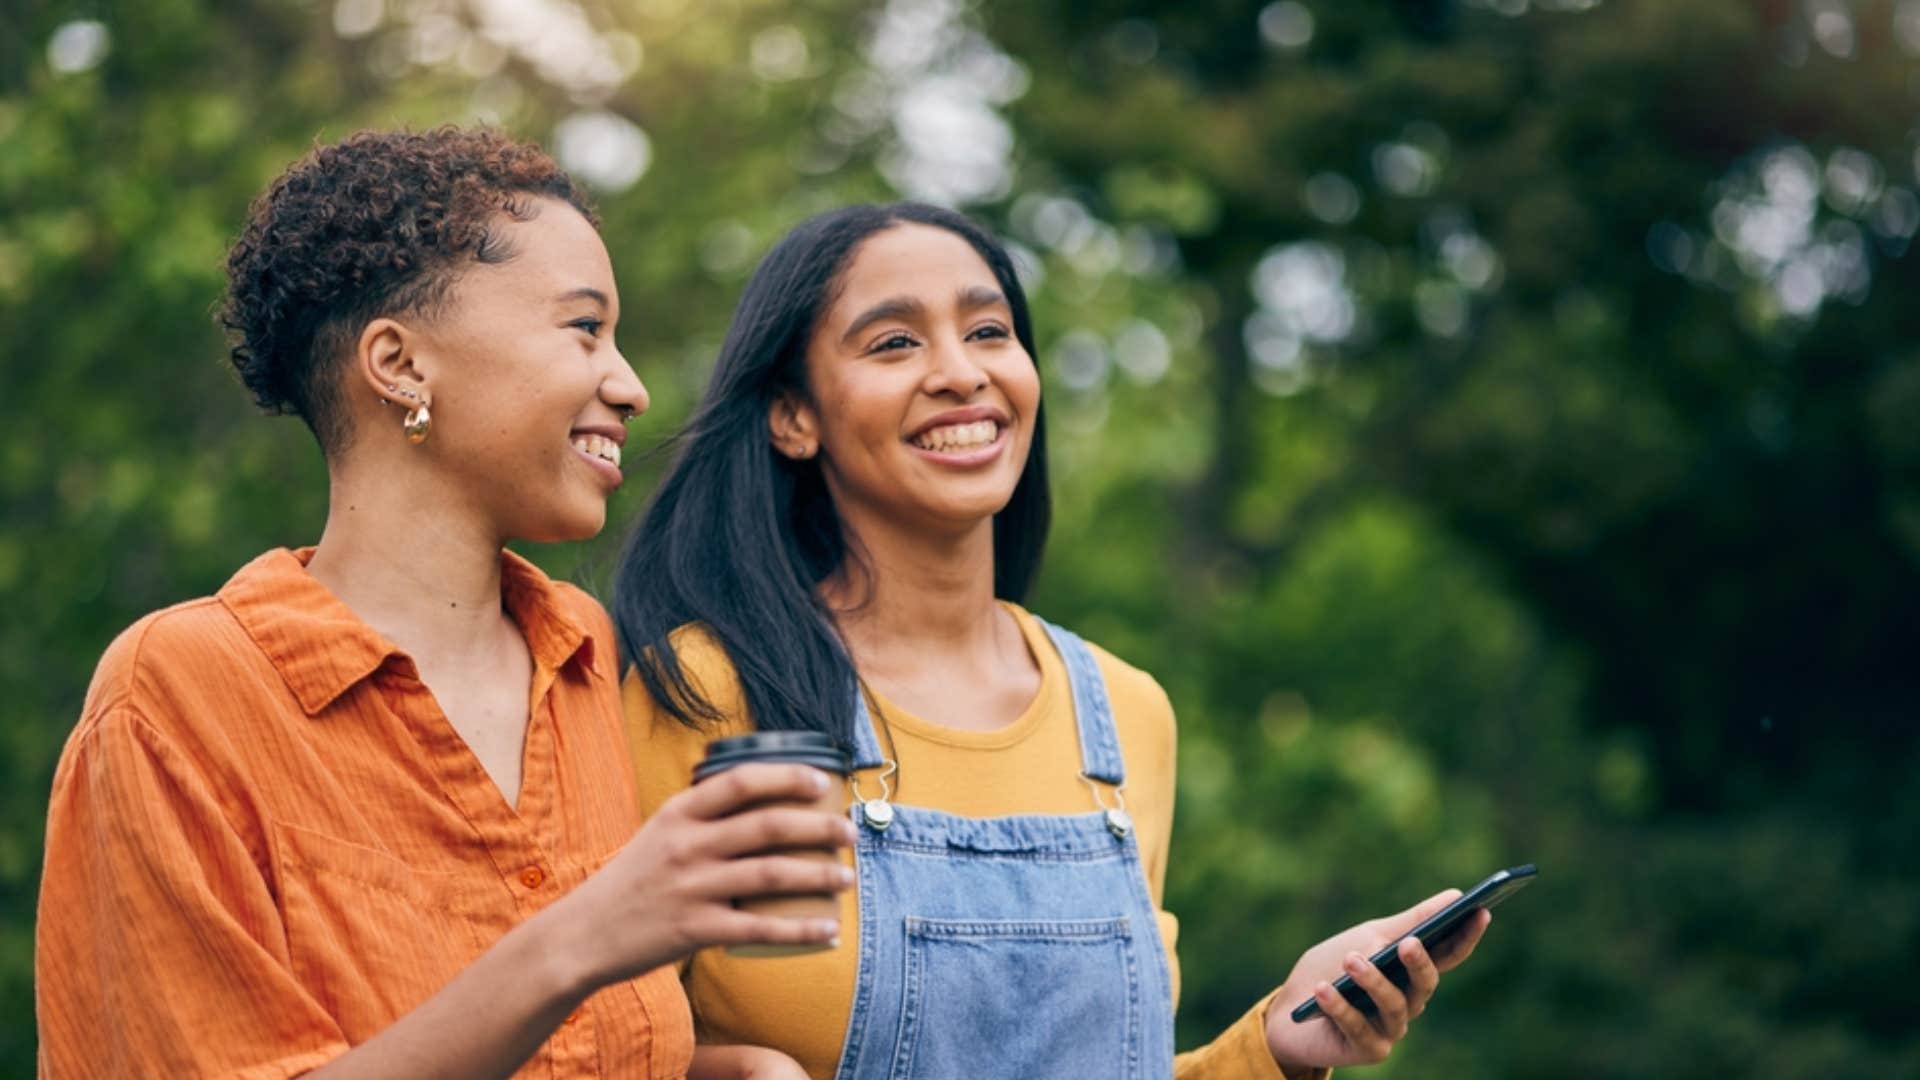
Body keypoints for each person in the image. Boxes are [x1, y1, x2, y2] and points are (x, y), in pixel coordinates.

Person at [35, 127, 850, 1079]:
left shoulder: (585, 655)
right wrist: (581, 938)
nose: (629, 387)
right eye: (584, 328)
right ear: (400, 364)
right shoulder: (178, 693)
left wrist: (736, 1072)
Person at [614, 203, 1492, 1079]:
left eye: (989, 330)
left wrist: (1274, 1051)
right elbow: (597, 1046)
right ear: (792, 417)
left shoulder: (1122, 712)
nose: (961, 373)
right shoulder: (710, 691)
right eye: (894, 343)